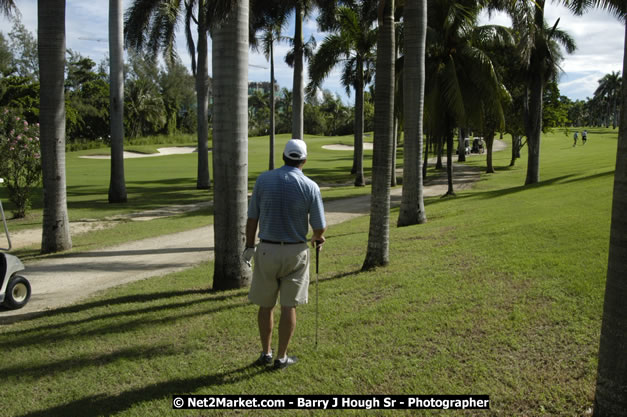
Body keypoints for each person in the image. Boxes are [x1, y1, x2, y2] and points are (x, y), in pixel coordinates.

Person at [243, 138, 327, 370]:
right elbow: (320, 226)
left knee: (266, 305)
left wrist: (249, 245)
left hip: (267, 250)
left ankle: (265, 352)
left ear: (283, 157)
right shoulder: (310, 186)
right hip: (296, 252)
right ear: (304, 160)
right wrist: (317, 237)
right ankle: (281, 357)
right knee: (289, 306)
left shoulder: (263, 180)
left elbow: (252, 218)